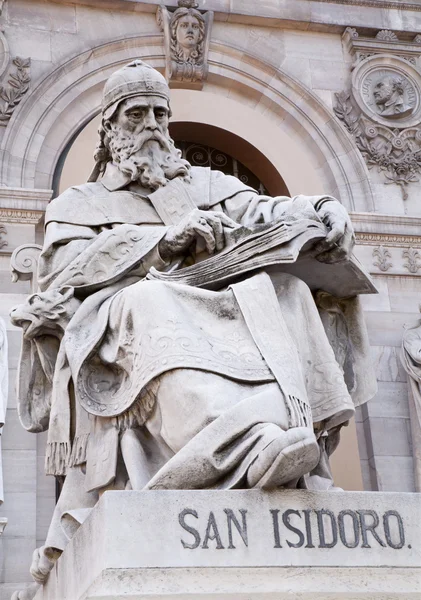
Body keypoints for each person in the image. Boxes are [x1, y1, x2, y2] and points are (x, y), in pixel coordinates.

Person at [10, 60, 376, 596]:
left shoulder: (204, 184)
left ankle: (296, 451)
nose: (152, 127)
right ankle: (244, 445)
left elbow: (265, 209)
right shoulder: (79, 204)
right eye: (136, 114)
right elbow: (62, 276)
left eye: (161, 113)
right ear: (109, 129)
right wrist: (159, 246)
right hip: (119, 314)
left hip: (215, 298)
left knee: (290, 292)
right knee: (153, 298)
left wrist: (319, 210)